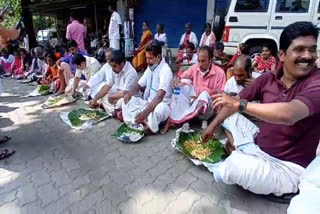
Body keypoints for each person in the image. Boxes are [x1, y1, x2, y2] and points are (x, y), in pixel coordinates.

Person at [201, 21, 320, 197]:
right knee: (231, 116)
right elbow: (234, 101)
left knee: (236, 167)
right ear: (282, 55)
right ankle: (240, 158)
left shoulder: (316, 82)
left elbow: (289, 114)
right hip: (259, 150)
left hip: (288, 168)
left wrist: (240, 105)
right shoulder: (268, 79)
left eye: (312, 49)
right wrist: (212, 126)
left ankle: (229, 165)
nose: (308, 56)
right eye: (300, 49)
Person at [162, 46, 226, 134]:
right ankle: (180, 117)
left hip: (208, 108)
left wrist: (203, 96)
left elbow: (221, 97)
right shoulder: (195, 68)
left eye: (203, 61)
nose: (200, 64)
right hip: (194, 102)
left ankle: (186, 118)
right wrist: (176, 79)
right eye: (198, 61)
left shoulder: (220, 73)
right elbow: (181, 77)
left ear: (211, 60)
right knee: (181, 85)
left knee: (204, 94)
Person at [122, 43, 173, 134]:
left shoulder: (165, 70)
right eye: (146, 58)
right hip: (148, 103)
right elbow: (139, 84)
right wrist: (129, 94)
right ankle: (138, 122)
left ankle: (147, 123)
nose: (148, 61)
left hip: (162, 105)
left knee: (157, 111)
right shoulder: (150, 68)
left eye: (150, 58)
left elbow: (160, 96)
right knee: (126, 100)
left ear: (158, 57)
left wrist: (145, 113)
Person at [89, 50, 138, 115]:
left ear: (122, 63)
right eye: (111, 66)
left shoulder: (131, 72)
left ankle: (113, 110)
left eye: (114, 66)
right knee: (102, 92)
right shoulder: (114, 69)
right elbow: (107, 86)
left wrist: (111, 97)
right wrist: (94, 99)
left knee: (122, 102)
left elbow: (124, 93)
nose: (112, 68)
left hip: (129, 96)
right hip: (117, 95)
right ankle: (115, 111)